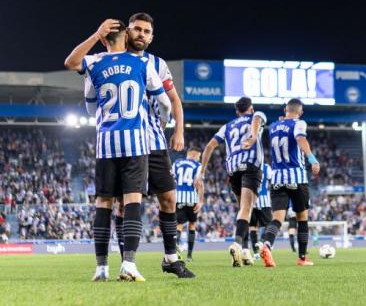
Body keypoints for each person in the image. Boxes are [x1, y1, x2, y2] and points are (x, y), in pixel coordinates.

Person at [76, 14, 193, 278]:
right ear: (127, 32)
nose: (141, 34)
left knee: (169, 197)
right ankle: (126, 260)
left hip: (153, 139)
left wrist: (177, 130)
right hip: (129, 140)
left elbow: (174, 100)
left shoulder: (157, 64)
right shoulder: (109, 60)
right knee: (122, 202)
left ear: (151, 37)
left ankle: (171, 257)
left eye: (147, 31)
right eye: (137, 29)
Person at [198, 97, 266, 267]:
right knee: (246, 208)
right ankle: (237, 245)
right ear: (251, 108)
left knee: (243, 210)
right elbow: (257, 119)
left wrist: (202, 172)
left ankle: (245, 251)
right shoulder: (255, 115)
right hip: (250, 165)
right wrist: (253, 136)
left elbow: (209, 147)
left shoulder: (227, 126)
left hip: (233, 169)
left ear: (237, 112)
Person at [257, 98, 321, 267]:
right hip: (297, 177)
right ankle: (302, 258)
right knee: (302, 218)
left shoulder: (273, 126)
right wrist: (312, 158)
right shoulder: (299, 123)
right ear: (300, 112)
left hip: (277, 177)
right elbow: (300, 139)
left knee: (277, 219)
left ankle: (267, 245)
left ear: (285, 109)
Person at [173, 147, 204, 261]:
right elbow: (199, 184)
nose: (199, 158)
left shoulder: (176, 163)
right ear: (195, 155)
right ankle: (189, 256)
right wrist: (201, 201)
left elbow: (172, 179)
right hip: (192, 198)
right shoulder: (198, 165)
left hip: (179, 197)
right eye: (199, 156)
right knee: (192, 225)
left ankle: (175, 252)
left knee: (179, 225)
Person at [249, 161, 273, 258]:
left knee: (253, 227)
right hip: (264, 201)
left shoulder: (249, 165)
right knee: (269, 225)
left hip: (251, 201)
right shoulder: (266, 167)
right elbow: (272, 179)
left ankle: (255, 254)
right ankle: (262, 242)